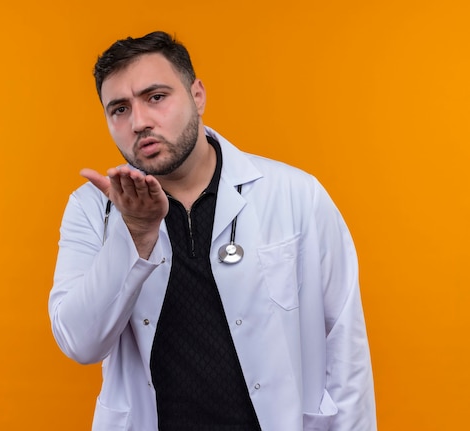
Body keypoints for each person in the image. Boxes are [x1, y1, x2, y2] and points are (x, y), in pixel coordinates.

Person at [48, 31, 376, 431]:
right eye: (119, 109)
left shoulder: (295, 194)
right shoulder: (91, 208)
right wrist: (135, 233)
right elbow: (80, 342)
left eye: (156, 97)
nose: (139, 122)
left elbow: (345, 344)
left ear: (197, 95)